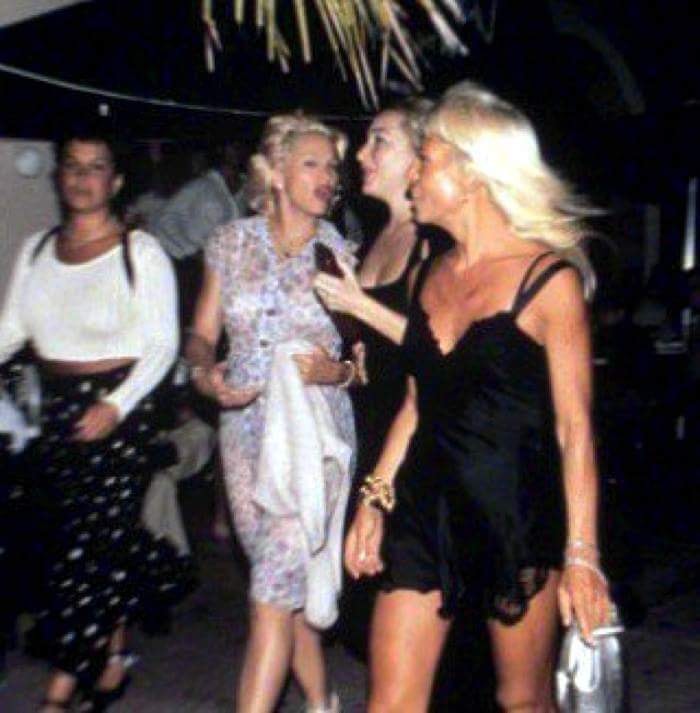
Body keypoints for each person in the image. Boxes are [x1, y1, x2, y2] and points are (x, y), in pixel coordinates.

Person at [345, 82, 612, 712]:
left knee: (522, 701)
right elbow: (417, 403)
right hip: (423, 511)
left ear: (471, 173)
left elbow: (575, 431)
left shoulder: (548, 282)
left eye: (426, 159)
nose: (414, 174)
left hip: (511, 516)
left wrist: (582, 555)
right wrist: (374, 498)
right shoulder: (428, 274)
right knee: (390, 703)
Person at [0, 128, 192, 712]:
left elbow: (162, 345)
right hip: (55, 408)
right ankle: (111, 651)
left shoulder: (141, 251)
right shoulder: (37, 248)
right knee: (78, 540)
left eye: (96, 167)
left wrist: (116, 405)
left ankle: (59, 693)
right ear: (59, 176)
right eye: (73, 166)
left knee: (85, 549)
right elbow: (12, 329)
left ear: (117, 180)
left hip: (120, 409)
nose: (83, 178)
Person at [186, 114, 357, 713]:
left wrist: (334, 372)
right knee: (282, 586)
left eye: (333, 167)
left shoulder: (338, 254)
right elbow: (202, 334)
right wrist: (204, 374)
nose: (328, 176)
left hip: (313, 432)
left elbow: (363, 362)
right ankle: (323, 700)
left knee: (270, 588)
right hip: (243, 431)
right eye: (313, 163)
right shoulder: (230, 243)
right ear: (277, 172)